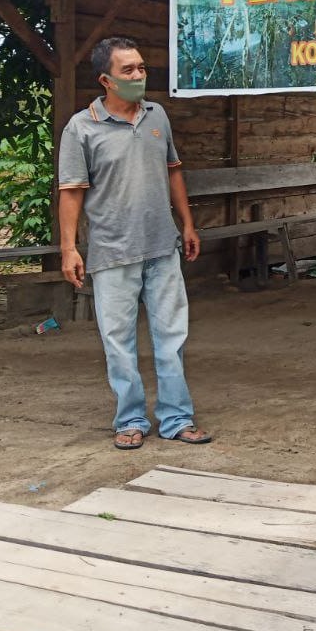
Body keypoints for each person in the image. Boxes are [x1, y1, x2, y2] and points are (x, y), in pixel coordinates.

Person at [58, 36, 212, 450]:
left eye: (142, 68)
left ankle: (177, 419)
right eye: (129, 70)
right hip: (112, 253)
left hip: (162, 247)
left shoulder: (156, 114)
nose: (139, 75)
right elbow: (71, 190)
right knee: (118, 342)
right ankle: (130, 420)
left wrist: (188, 224)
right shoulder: (81, 127)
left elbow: (173, 170)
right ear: (105, 80)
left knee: (172, 338)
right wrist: (69, 248)